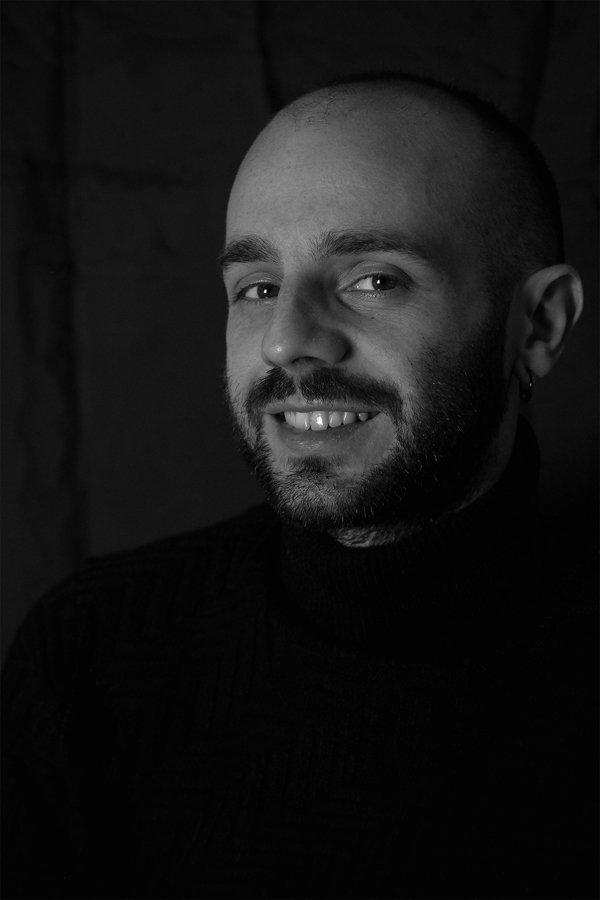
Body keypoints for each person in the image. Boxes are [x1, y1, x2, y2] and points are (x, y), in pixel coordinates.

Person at [2, 73, 596, 900]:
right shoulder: (93, 655)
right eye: (257, 288)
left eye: (373, 279)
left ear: (538, 325)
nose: (285, 342)